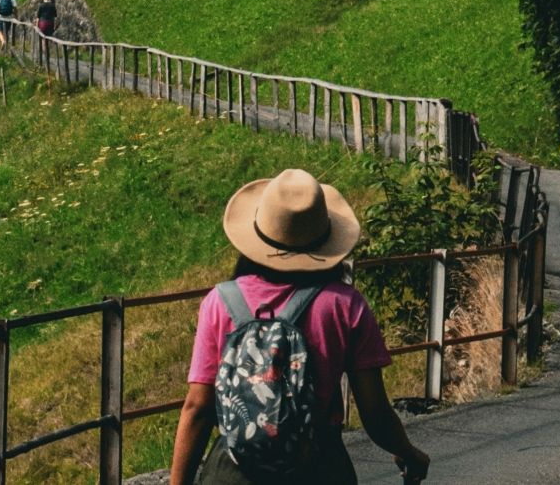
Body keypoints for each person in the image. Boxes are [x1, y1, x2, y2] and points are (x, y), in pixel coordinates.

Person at [169, 168, 429, 485]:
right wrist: (408, 452)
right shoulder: (344, 305)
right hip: (320, 467)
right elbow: (374, 412)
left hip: (234, 470)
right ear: (326, 243)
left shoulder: (220, 302)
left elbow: (198, 407)